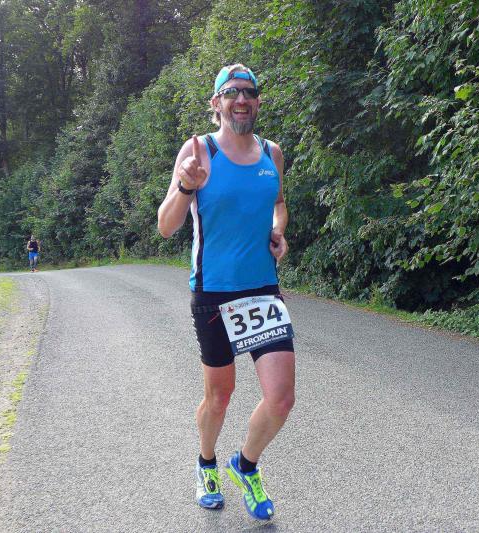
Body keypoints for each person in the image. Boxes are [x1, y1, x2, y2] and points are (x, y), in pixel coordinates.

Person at [157, 64, 294, 520]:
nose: (241, 100)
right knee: (220, 396)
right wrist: (185, 186)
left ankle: (246, 465)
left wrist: (277, 230)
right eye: (232, 92)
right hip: (213, 292)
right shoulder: (200, 150)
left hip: (263, 291)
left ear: (257, 102)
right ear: (216, 103)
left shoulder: (272, 154)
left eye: (249, 93)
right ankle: (206, 463)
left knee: (281, 398)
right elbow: (166, 226)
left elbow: (278, 205)